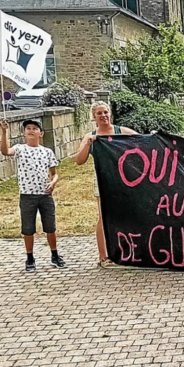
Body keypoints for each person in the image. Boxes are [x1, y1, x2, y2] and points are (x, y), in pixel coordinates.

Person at [74, 101, 137, 267]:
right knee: (103, 216)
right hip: (103, 180)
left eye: (106, 112)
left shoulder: (122, 132)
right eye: (99, 113)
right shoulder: (91, 137)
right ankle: (103, 255)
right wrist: (88, 143)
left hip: (124, 180)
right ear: (94, 117)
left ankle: (130, 251)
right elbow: (79, 160)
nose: (103, 116)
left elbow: (142, 142)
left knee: (127, 214)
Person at [0, 119, 64, 272]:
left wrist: (53, 182)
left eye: (34, 128)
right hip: (27, 195)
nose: (31, 130)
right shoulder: (20, 149)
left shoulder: (47, 152)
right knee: (28, 228)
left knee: (50, 226)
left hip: (44, 194)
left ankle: (54, 254)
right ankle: (30, 257)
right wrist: (4, 132)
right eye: (28, 128)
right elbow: (5, 151)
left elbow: (54, 174)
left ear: (40, 133)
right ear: (24, 133)